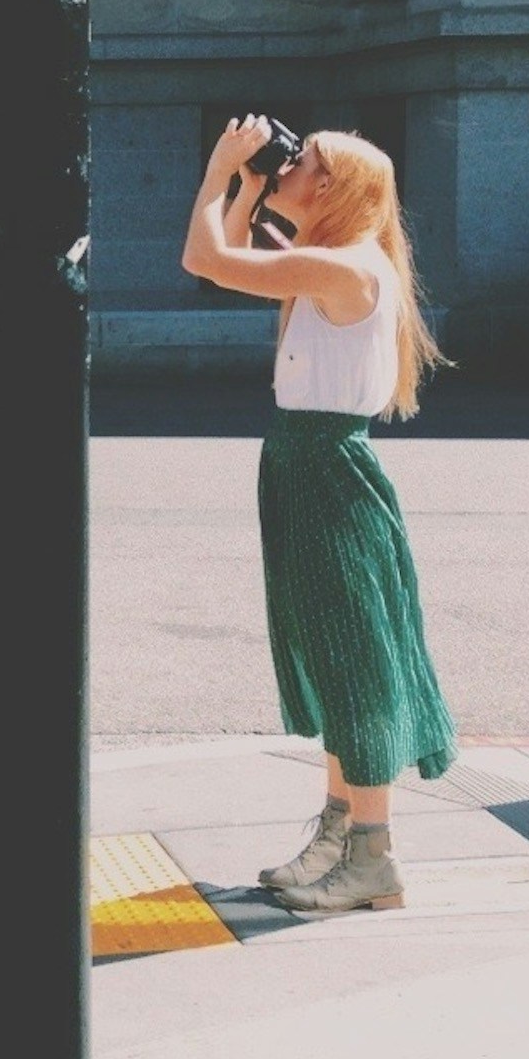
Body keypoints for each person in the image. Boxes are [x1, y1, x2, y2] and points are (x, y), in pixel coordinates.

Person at [181, 116, 458, 913]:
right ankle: (341, 836)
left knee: (353, 655)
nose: (287, 165)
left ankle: (372, 856)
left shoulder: (347, 268)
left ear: (334, 190)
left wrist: (218, 170)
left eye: (300, 161)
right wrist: (248, 184)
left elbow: (205, 258)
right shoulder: (335, 264)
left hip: (325, 468)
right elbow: (231, 254)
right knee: (330, 650)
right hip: (305, 465)